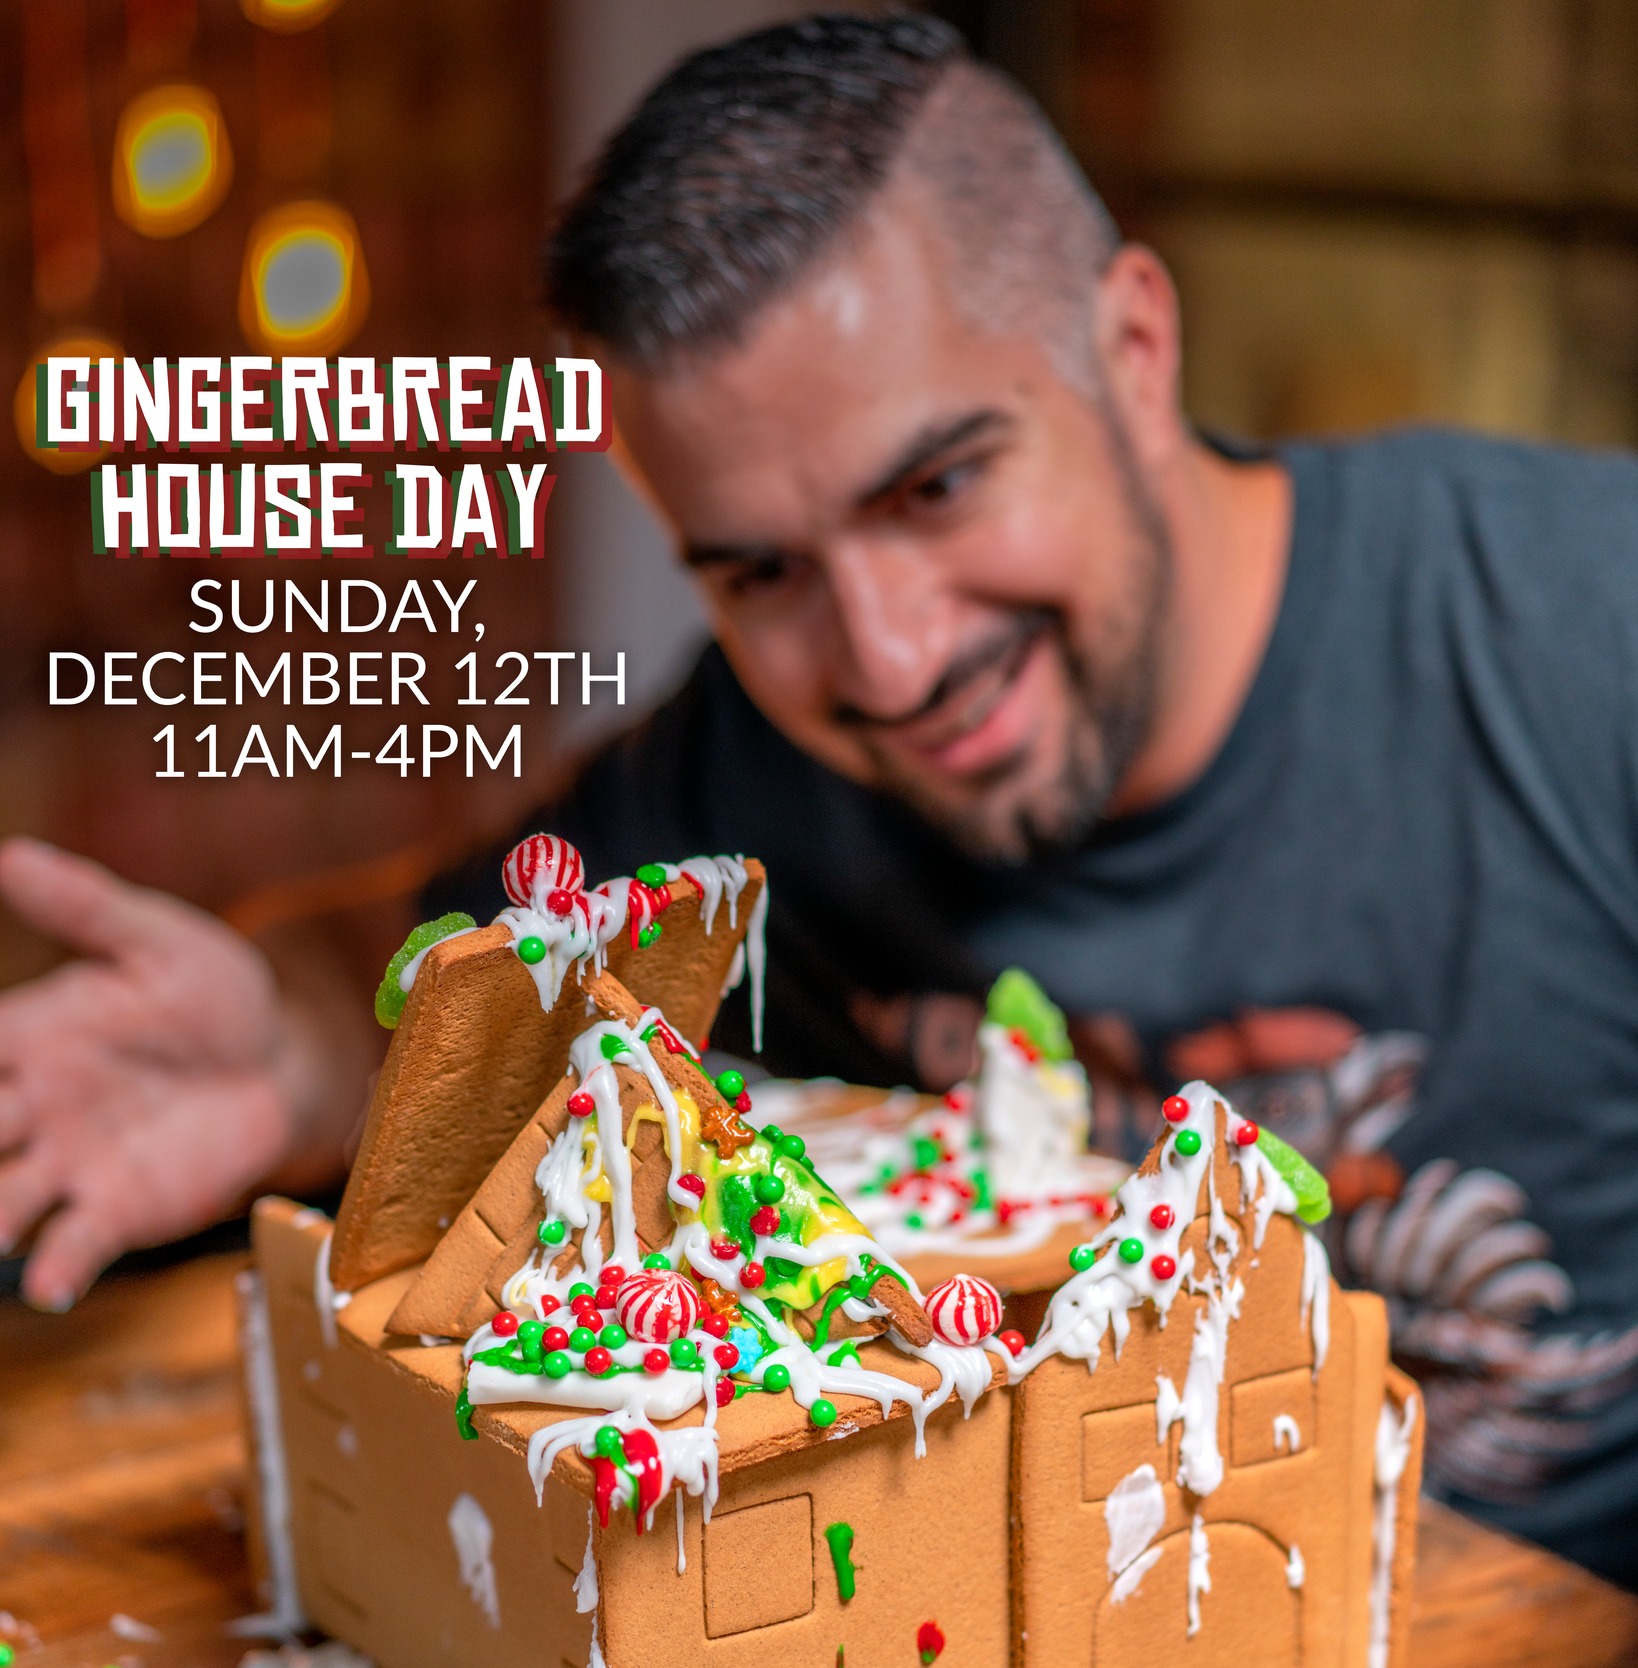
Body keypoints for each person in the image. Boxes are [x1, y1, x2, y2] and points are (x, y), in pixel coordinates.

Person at [4, 13, 1638, 1586]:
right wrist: (295, 1051)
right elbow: (443, 973)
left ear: (1133, 350)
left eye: (937, 485)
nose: (888, 661)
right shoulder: (745, 771)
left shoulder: (1583, 630)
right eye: (762, 572)